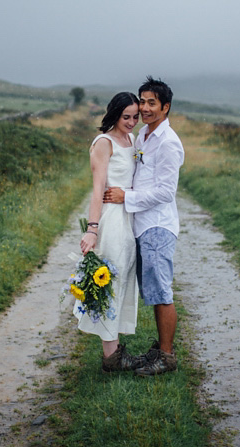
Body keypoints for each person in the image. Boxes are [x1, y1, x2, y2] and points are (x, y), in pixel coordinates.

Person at [104, 76, 184, 376]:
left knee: (161, 291)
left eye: (152, 102)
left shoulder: (168, 143)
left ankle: (166, 356)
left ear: (166, 107)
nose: (145, 107)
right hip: (141, 225)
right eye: (143, 101)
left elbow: (166, 192)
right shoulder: (144, 137)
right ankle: (159, 350)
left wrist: (127, 196)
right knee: (152, 290)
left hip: (158, 226)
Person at [76, 91, 144, 372]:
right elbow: (97, 189)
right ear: (114, 114)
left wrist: (129, 195)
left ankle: (115, 350)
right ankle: (111, 357)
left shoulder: (131, 140)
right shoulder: (103, 143)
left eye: (135, 117)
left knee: (124, 280)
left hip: (129, 216)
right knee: (110, 282)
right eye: (125, 116)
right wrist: (92, 230)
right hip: (112, 220)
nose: (130, 122)